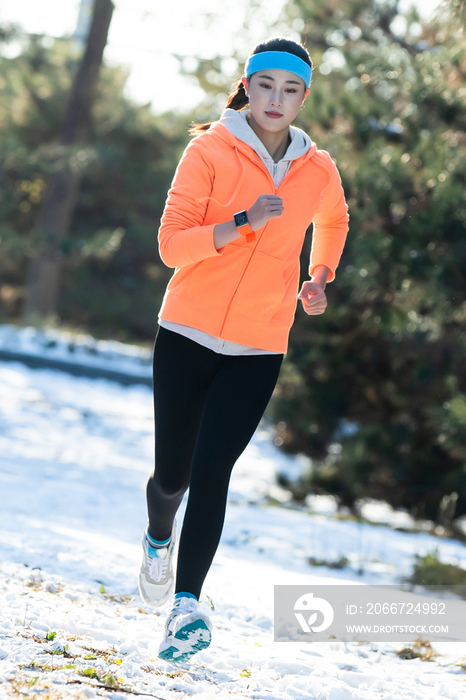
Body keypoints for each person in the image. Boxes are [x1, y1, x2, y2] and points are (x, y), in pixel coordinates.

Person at [138, 36, 349, 663]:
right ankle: (156, 536)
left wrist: (320, 275)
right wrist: (241, 223)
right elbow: (172, 245)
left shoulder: (319, 169)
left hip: (258, 346)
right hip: (185, 333)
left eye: (291, 90)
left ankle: (185, 610)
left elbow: (333, 219)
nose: (277, 100)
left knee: (212, 472)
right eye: (266, 86)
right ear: (248, 87)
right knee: (173, 475)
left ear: (303, 97)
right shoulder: (209, 150)